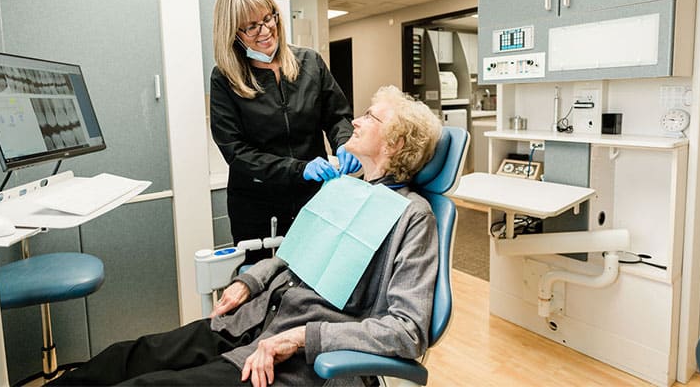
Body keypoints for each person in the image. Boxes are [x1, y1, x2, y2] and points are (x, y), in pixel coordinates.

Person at [49, 85, 443, 387]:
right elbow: (292, 254)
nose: (355, 121)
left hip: (289, 361)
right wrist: (249, 281)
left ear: (396, 143)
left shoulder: (413, 217)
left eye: (370, 117)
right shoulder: (346, 188)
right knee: (121, 359)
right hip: (249, 321)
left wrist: (302, 338)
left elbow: (407, 332)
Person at [210, 0, 360, 263]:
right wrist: (298, 169)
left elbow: (338, 115)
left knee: (314, 281)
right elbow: (237, 153)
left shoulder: (310, 62)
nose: (266, 31)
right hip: (258, 207)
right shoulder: (225, 79)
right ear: (233, 33)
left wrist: (345, 143)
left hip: (314, 199)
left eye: (268, 18)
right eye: (252, 26)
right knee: (266, 288)